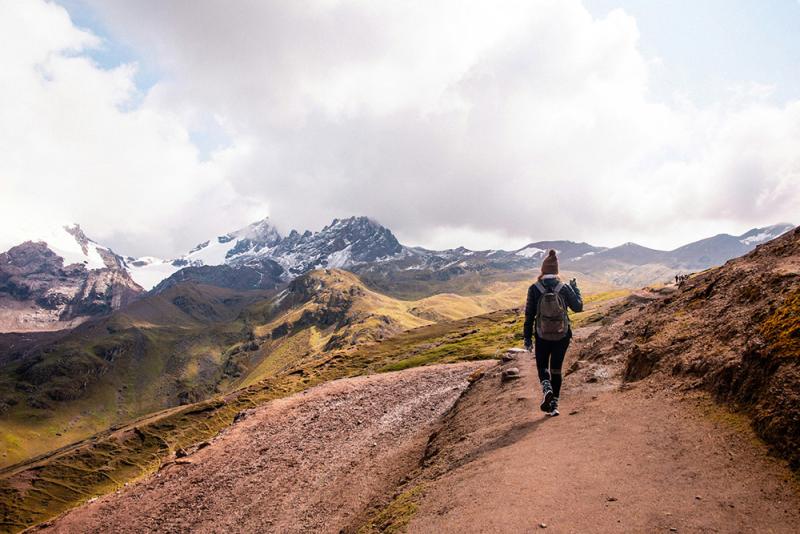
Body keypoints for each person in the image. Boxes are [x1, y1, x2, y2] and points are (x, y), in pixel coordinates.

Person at [523, 249, 583, 416]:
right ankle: (554, 405)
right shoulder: (563, 287)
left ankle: (546, 387)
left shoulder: (534, 288)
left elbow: (529, 315)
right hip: (562, 335)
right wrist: (575, 289)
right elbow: (578, 308)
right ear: (556, 271)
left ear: (543, 270)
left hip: (542, 336)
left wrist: (527, 338)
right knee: (556, 369)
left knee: (542, 367)